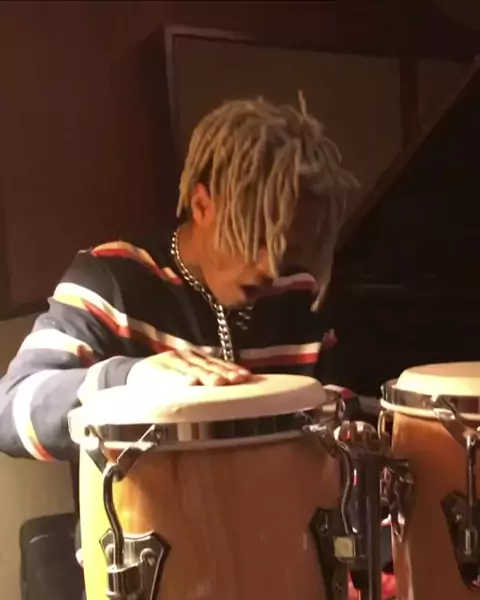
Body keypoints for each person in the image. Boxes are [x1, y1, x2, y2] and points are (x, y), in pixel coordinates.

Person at [0, 95, 394, 598]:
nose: (272, 268)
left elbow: (335, 409)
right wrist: (129, 380)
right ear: (202, 205)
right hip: (150, 579)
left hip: (284, 567)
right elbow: (11, 409)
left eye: (290, 245)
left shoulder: (295, 292)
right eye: (258, 238)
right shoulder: (110, 280)